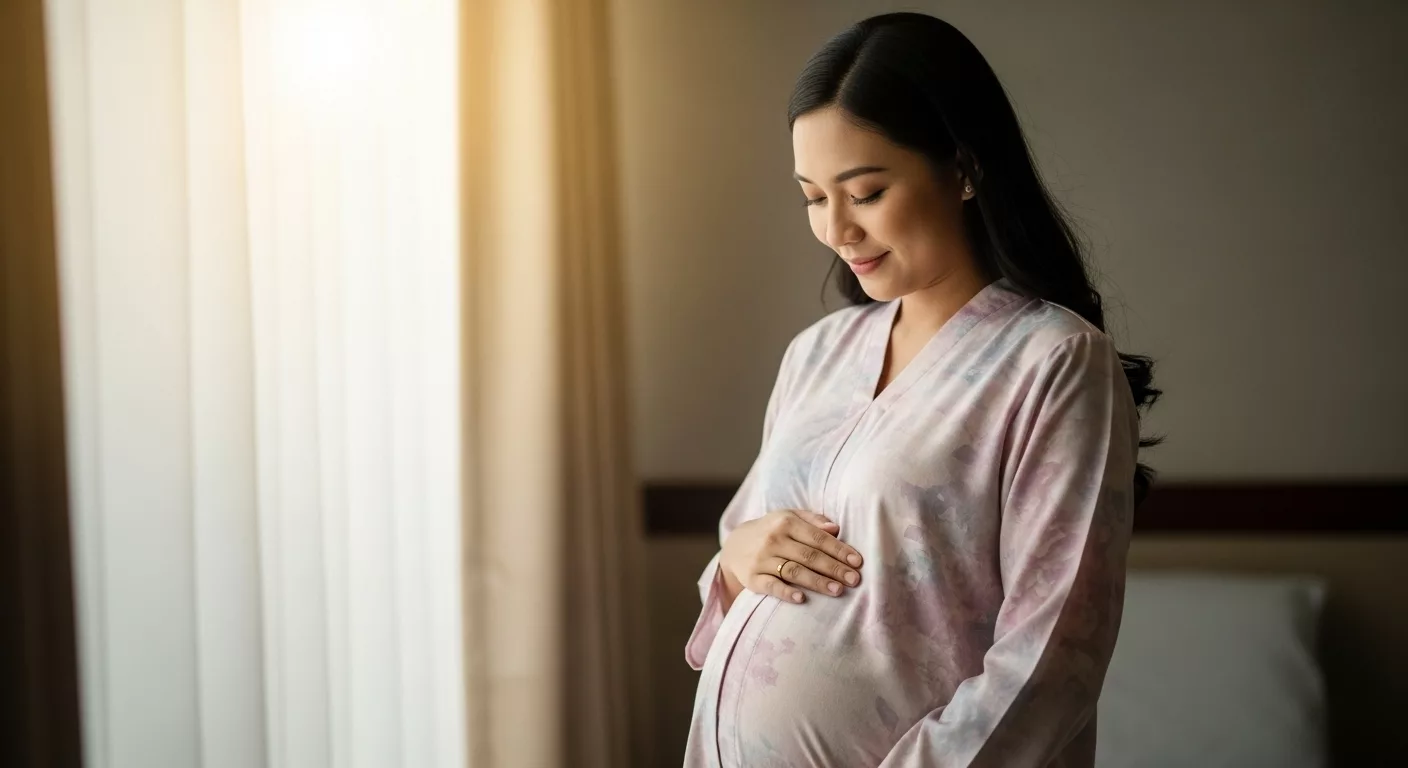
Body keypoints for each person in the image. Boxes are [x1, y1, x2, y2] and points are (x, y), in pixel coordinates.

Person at [682, 12, 1162, 768]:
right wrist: (735, 556)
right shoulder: (816, 355)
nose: (836, 229)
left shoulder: (1053, 361)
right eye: (812, 197)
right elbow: (745, 553)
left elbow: (1056, 654)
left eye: (864, 192)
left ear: (964, 169)